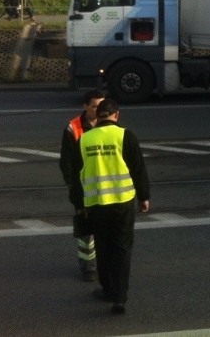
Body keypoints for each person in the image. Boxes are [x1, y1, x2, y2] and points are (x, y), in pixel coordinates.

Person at [70, 98, 150, 315]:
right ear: (117, 115)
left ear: (99, 116)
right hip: (123, 202)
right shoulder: (125, 135)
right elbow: (138, 168)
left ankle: (107, 290)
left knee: (103, 248)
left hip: (96, 204)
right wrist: (144, 197)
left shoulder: (85, 139)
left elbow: (76, 174)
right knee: (122, 248)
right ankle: (120, 297)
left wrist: (79, 203)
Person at [59, 89, 106, 281]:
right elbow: (66, 162)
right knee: (86, 230)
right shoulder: (73, 128)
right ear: (85, 106)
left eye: (101, 106)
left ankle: (103, 264)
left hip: (104, 186)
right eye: (95, 106)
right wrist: (72, 186)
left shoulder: (108, 123)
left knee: (104, 228)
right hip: (83, 187)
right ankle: (88, 267)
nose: (99, 110)